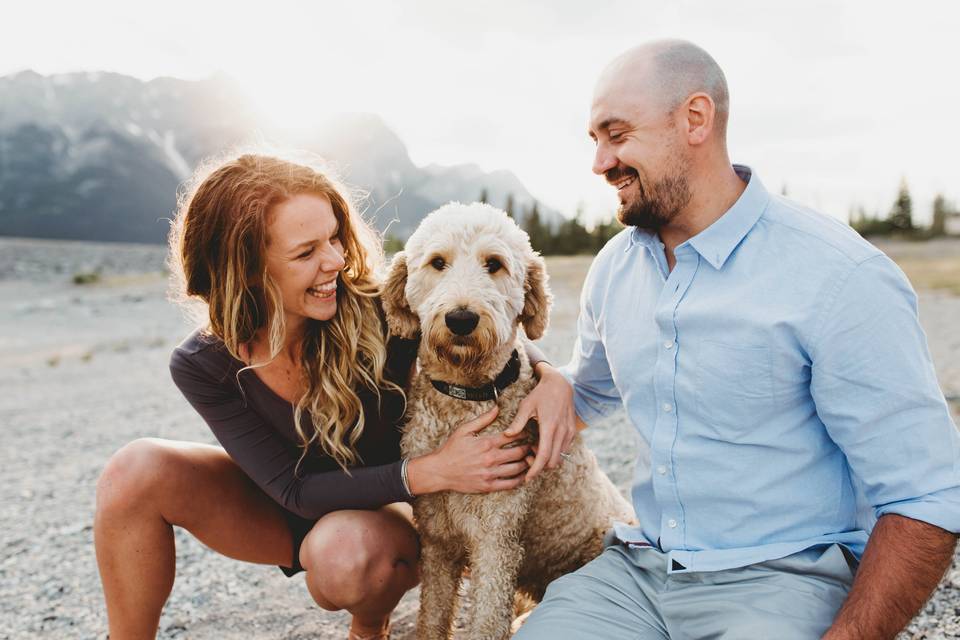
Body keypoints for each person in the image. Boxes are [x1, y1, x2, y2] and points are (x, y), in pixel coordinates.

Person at [514, 40, 960, 639]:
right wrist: (553, 382)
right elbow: (590, 390)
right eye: (593, 139)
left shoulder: (840, 275)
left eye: (616, 135)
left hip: (784, 580)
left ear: (695, 119)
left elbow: (927, 493)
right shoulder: (614, 269)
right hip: (639, 574)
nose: (599, 162)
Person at [93, 153, 576, 640]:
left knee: (345, 554)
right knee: (134, 471)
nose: (335, 261)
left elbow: (467, 319)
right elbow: (294, 491)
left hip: (380, 515)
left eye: (334, 237)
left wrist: (549, 373)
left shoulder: (376, 308)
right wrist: (434, 470)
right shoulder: (202, 362)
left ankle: (369, 628)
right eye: (306, 253)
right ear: (247, 271)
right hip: (286, 504)